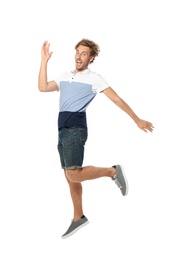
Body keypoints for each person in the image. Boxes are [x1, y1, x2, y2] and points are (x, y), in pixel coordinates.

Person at [38, 38, 154, 239]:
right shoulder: (65, 76)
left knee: (74, 174)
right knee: (69, 176)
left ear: (91, 58)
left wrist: (137, 120)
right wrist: (44, 60)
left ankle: (112, 171)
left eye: (84, 54)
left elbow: (117, 99)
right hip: (62, 130)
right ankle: (78, 217)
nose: (79, 57)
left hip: (76, 129)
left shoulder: (95, 79)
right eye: (77, 52)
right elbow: (42, 87)